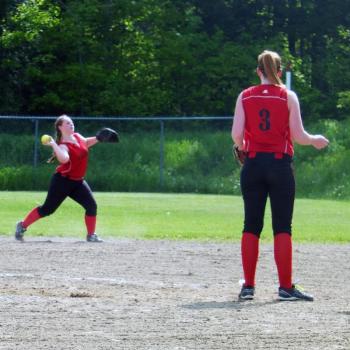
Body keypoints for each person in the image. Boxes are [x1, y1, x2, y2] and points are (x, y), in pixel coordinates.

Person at [231, 50, 329, 301]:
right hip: (280, 166)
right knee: (282, 226)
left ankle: (249, 287)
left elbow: (236, 135)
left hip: (252, 166)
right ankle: (286, 287)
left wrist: (243, 147)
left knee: (251, 224)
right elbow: (299, 136)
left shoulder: (245, 96)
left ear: (258, 71)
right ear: (278, 70)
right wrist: (315, 140)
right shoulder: (288, 96)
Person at [15, 115, 105, 242]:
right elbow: (64, 158)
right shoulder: (63, 145)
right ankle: (22, 225)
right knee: (47, 209)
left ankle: (91, 235)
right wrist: (53, 145)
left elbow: (86, 143)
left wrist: (98, 138)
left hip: (78, 182)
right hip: (62, 181)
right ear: (60, 127)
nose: (71, 124)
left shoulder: (78, 137)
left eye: (71, 122)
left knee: (91, 206)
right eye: (67, 123)